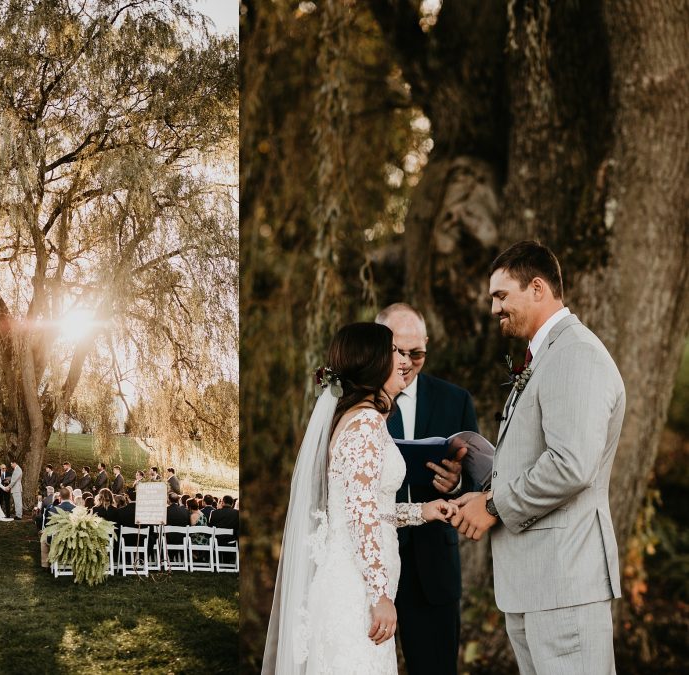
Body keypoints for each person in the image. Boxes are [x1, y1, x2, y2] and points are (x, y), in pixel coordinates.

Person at [450, 241, 625, 674]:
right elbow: (539, 454)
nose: (493, 308)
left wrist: (493, 505)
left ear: (538, 287)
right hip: (537, 586)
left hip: (565, 587)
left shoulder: (576, 354)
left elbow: (571, 464)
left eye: (501, 295)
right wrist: (475, 474)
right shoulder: (546, 356)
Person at [262, 322, 457, 674]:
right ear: (374, 362)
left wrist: (422, 512)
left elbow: (368, 506)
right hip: (355, 591)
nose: (403, 360)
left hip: (356, 581)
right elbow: (360, 512)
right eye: (394, 352)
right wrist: (379, 594)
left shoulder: (360, 420)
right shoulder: (365, 423)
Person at [374, 303, 479, 675]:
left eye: (416, 353)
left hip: (432, 564)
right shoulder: (356, 403)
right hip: (372, 564)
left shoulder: (456, 400)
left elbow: (479, 479)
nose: (407, 361)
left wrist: (458, 482)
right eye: (397, 351)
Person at [40, 486, 76, 568]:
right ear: (70, 496)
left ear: (60, 497)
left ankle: (45, 565)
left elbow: (49, 526)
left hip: (57, 539)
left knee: (43, 538)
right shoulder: (76, 508)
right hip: (72, 538)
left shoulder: (53, 509)